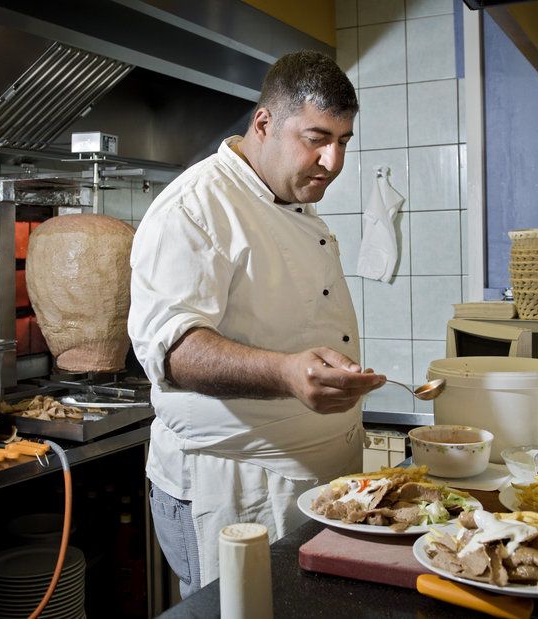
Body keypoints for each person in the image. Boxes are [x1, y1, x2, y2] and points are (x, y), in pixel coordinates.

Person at [127, 49, 385, 596]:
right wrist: (288, 373)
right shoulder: (195, 206)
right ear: (264, 123)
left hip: (314, 480)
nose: (333, 161)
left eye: (343, 142)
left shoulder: (288, 197)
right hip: (238, 487)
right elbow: (172, 351)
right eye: (317, 138)